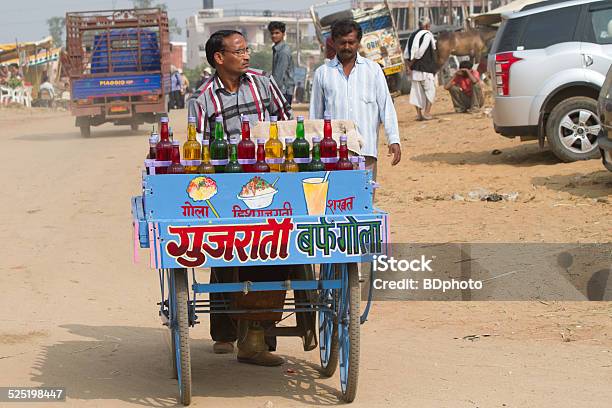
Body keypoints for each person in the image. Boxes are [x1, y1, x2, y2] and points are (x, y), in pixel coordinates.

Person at [187, 29, 293, 367]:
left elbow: (286, 123)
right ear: (220, 58)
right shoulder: (202, 99)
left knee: (274, 251)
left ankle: (258, 336)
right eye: (239, 50)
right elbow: (199, 152)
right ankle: (224, 332)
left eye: (247, 49)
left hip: (269, 183)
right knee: (225, 253)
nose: (247, 55)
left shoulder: (263, 83)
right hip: (226, 189)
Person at [310, 19, 401, 180]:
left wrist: (393, 139)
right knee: (336, 200)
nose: (346, 47)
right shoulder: (323, 73)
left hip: (365, 151)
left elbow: (386, 107)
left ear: (358, 42)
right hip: (333, 153)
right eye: (342, 43)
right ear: (333, 43)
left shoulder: (373, 70)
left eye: (351, 42)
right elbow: (315, 115)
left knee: (364, 199)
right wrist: (313, 148)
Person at [404, 17, 437, 121]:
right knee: (430, 90)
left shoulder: (412, 35)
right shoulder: (427, 35)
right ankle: (426, 113)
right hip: (425, 68)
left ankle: (419, 115)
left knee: (416, 92)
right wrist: (410, 65)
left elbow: (406, 54)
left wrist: (408, 66)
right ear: (427, 26)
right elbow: (419, 53)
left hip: (415, 71)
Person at [268, 21, 295, 105]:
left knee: (279, 118)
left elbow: (278, 77)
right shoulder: (277, 49)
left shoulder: (283, 52)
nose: (274, 35)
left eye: (277, 33)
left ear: (283, 34)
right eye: (272, 33)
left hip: (283, 92)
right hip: (282, 91)